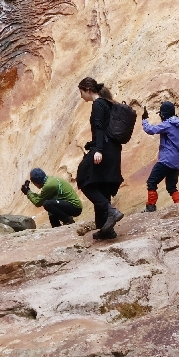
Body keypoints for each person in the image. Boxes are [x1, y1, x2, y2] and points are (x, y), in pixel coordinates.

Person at [75, 77, 124, 239]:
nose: (81, 96)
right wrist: (93, 144)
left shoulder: (98, 104)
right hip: (113, 150)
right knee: (101, 184)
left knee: (83, 177)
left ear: (88, 90)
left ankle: (111, 211)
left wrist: (98, 150)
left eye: (81, 92)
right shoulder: (108, 103)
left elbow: (99, 128)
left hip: (104, 149)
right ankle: (106, 229)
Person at [141, 101, 179, 212]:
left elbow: (150, 130)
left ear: (163, 114)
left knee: (151, 182)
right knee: (171, 187)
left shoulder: (167, 124)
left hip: (165, 160)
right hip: (176, 163)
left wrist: (144, 119)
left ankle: (151, 207)